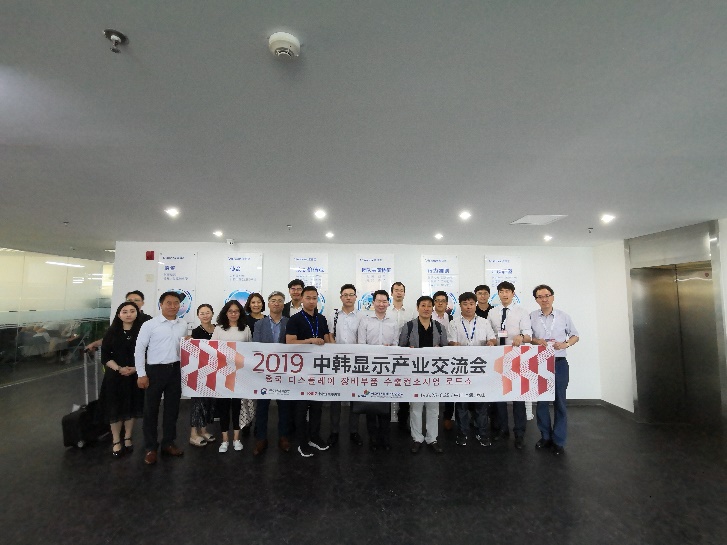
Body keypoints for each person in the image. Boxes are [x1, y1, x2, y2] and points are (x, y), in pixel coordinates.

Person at [135, 291, 188, 465]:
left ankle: (168, 443)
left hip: (175, 370)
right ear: (161, 305)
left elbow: (183, 348)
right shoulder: (150, 325)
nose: (173, 306)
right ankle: (150, 447)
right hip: (154, 371)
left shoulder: (183, 324)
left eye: (176, 303)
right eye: (169, 303)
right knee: (151, 410)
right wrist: (141, 374)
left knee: (172, 409)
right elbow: (139, 349)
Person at [529, 284, 579, 455]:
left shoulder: (563, 316)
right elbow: (528, 337)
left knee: (560, 402)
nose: (544, 299)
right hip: (540, 362)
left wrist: (565, 344)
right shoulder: (531, 317)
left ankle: (559, 440)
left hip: (559, 362)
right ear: (536, 300)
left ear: (553, 297)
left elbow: (575, 335)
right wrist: (536, 341)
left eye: (547, 295)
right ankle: (545, 436)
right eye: (540, 297)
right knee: (542, 402)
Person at [286, 285, 333, 457]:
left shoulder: (321, 318)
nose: (312, 301)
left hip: (319, 369)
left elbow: (327, 339)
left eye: (314, 298)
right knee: (301, 408)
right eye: (308, 298)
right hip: (301, 370)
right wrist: (310, 340)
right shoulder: (295, 319)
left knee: (317, 407)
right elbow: (290, 342)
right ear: (301, 299)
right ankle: (302, 442)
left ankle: (314, 437)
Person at [447, 292, 497, 447]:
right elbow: (451, 342)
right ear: (460, 305)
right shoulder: (454, 323)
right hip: (461, 368)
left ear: (475, 305)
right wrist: (455, 345)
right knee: (461, 404)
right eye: (465, 304)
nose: (468, 307)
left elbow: (493, 338)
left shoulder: (484, 322)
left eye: (471, 304)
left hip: (480, 368)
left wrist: (491, 343)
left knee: (481, 403)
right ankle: (462, 433)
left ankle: (482, 433)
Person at [399, 295, 448, 454]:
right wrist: (408, 351)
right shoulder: (409, 326)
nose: (426, 308)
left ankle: (432, 438)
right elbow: (400, 348)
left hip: (434, 374)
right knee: (416, 407)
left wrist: (440, 350)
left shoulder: (439, 327)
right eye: (423, 305)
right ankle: (417, 438)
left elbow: (446, 350)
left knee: (433, 408)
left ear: (432, 308)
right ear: (417, 307)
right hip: (415, 373)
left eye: (429, 306)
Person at [487, 281, 532, 449]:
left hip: (516, 357)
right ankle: (502, 429)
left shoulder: (522, 312)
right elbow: (490, 334)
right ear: (498, 294)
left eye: (507, 291)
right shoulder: (492, 312)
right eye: (501, 291)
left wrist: (521, 336)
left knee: (518, 398)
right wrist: (490, 341)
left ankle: (519, 433)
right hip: (498, 358)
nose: (504, 294)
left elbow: (528, 335)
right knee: (500, 397)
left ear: (513, 294)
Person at [99, 301, 144, 457]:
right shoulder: (111, 332)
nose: (129, 314)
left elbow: (149, 352)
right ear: (119, 315)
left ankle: (128, 437)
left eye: (132, 311)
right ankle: (116, 440)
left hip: (134, 375)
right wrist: (119, 368)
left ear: (137, 313)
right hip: (115, 376)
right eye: (125, 311)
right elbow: (105, 356)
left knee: (131, 407)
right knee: (115, 408)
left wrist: (136, 368)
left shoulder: (142, 331)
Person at [251, 291, 293, 455]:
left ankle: (284, 437)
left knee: (284, 406)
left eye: (280, 301)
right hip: (264, 371)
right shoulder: (259, 324)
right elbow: (256, 346)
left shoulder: (289, 322)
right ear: (268, 304)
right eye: (273, 300)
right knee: (262, 406)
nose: (276, 303)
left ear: (283, 305)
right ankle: (261, 438)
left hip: (284, 371)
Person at [357, 289, 399, 451]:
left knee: (385, 404)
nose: (381, 304)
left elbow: (396, 345)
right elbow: (361, 345)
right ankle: (373, 438)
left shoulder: (393, 322)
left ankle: (385, 438)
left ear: (388, 303)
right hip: (369, 368)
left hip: (387, 369)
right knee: (371, 405)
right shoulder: (365, 321)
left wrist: (390, 348)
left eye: (384, 301)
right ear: (373, 303)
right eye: (378, 301)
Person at [211, 300, 252, 453]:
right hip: (222, 373)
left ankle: (236, 438)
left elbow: (250, 350)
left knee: (237, 407)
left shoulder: (245, 328)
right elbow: (211, 349)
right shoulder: (219, 329)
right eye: (230, 311)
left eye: (236, 311)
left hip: (239, 374)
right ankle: (224, 440)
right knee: (223, 407)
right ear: (226, 313)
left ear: (240, 313)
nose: (233, 314)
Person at [327, 283, 363, 447]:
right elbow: (329, 335)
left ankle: (354, 431)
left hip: (355, 361)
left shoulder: (362, 316)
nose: (348, 297)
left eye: (351, 295)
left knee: (354, 397)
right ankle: (334, 431)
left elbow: (362, 339)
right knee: (335, 398)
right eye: (345, 295)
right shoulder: (333, 315)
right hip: (337, 361)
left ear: (356, 297)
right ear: (341, 297)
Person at [87, 290, 152, 353]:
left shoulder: (148, 320)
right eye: (129, 300)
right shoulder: (120, 319)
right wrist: (96, 343)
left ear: (142, 303)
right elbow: (111, 337)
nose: (133, 302)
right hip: (118, 357)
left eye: (136, 300)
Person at [188, 304, 216, 447]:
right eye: (202, 313)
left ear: (212, 314)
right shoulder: (196, 332)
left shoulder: (217, 329)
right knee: (197, 403)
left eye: (207, 312)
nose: (205, 315)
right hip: (199, 371)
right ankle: (193, 434)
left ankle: (204, 430)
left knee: (208, 402)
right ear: (198, 315)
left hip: (214, 371)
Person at [387, 281, 411, 427]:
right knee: (388, 383)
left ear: (404, 293)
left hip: (405, 354)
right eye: (396, 290)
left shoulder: (410, 312)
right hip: (388, 353)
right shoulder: (386, 310)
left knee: (404, 386)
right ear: (392, 293)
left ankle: (403, 420)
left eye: (401, 290)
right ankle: (389, 417)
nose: (399, 292)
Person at [432, 290, 454, 429]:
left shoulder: (451, 318)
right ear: (434, 303)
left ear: (447, 304)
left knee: (449, 387)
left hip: (448, 357)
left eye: (443, 301)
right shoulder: (427, 316)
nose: (440, 303)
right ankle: (432, 417)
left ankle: (447, 417)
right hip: (431, 357)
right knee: (432, 386)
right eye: (437, 301)